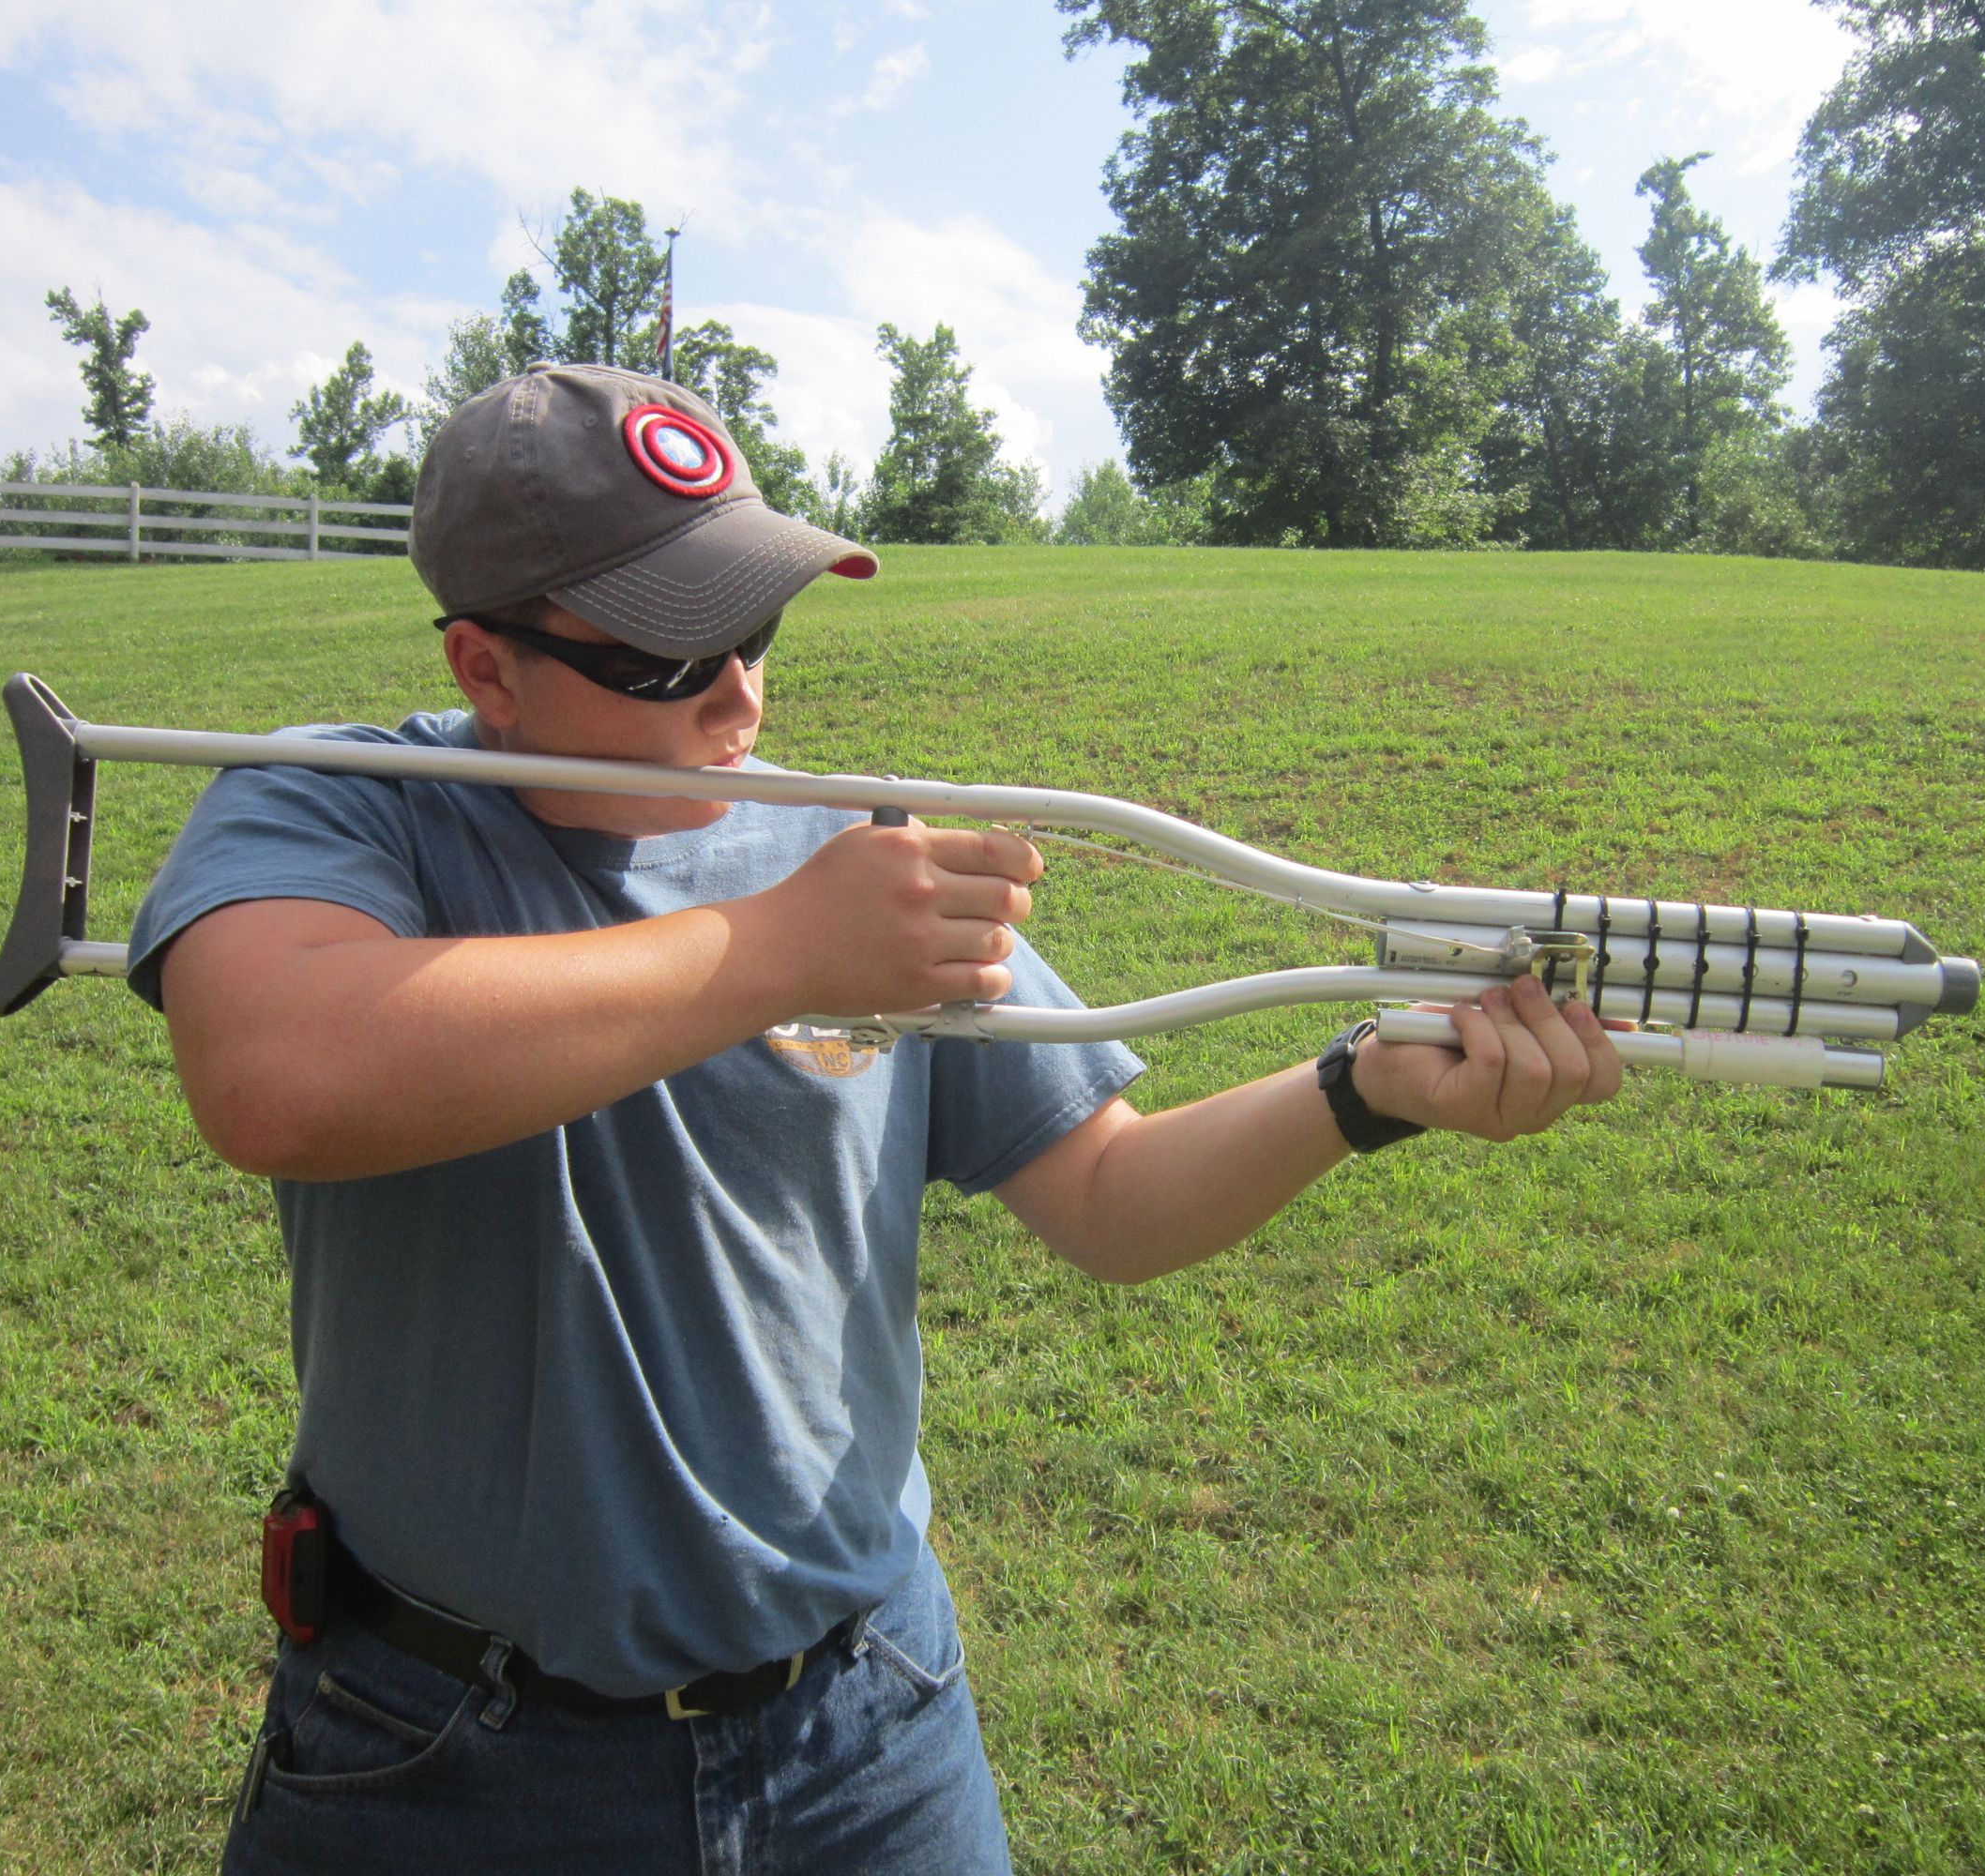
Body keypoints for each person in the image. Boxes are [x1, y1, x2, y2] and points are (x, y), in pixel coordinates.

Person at [129, 362, 1624, 1875]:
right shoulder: (336, 803)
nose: (743, 694)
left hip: (867, 1734)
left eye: (755, 624)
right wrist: (782, 951)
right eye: (666, 651)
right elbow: (277, 1078)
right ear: (485, 667)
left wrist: (1361, 1089)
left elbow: (1106, 1194)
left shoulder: (852, 848)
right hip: (448, 1756)